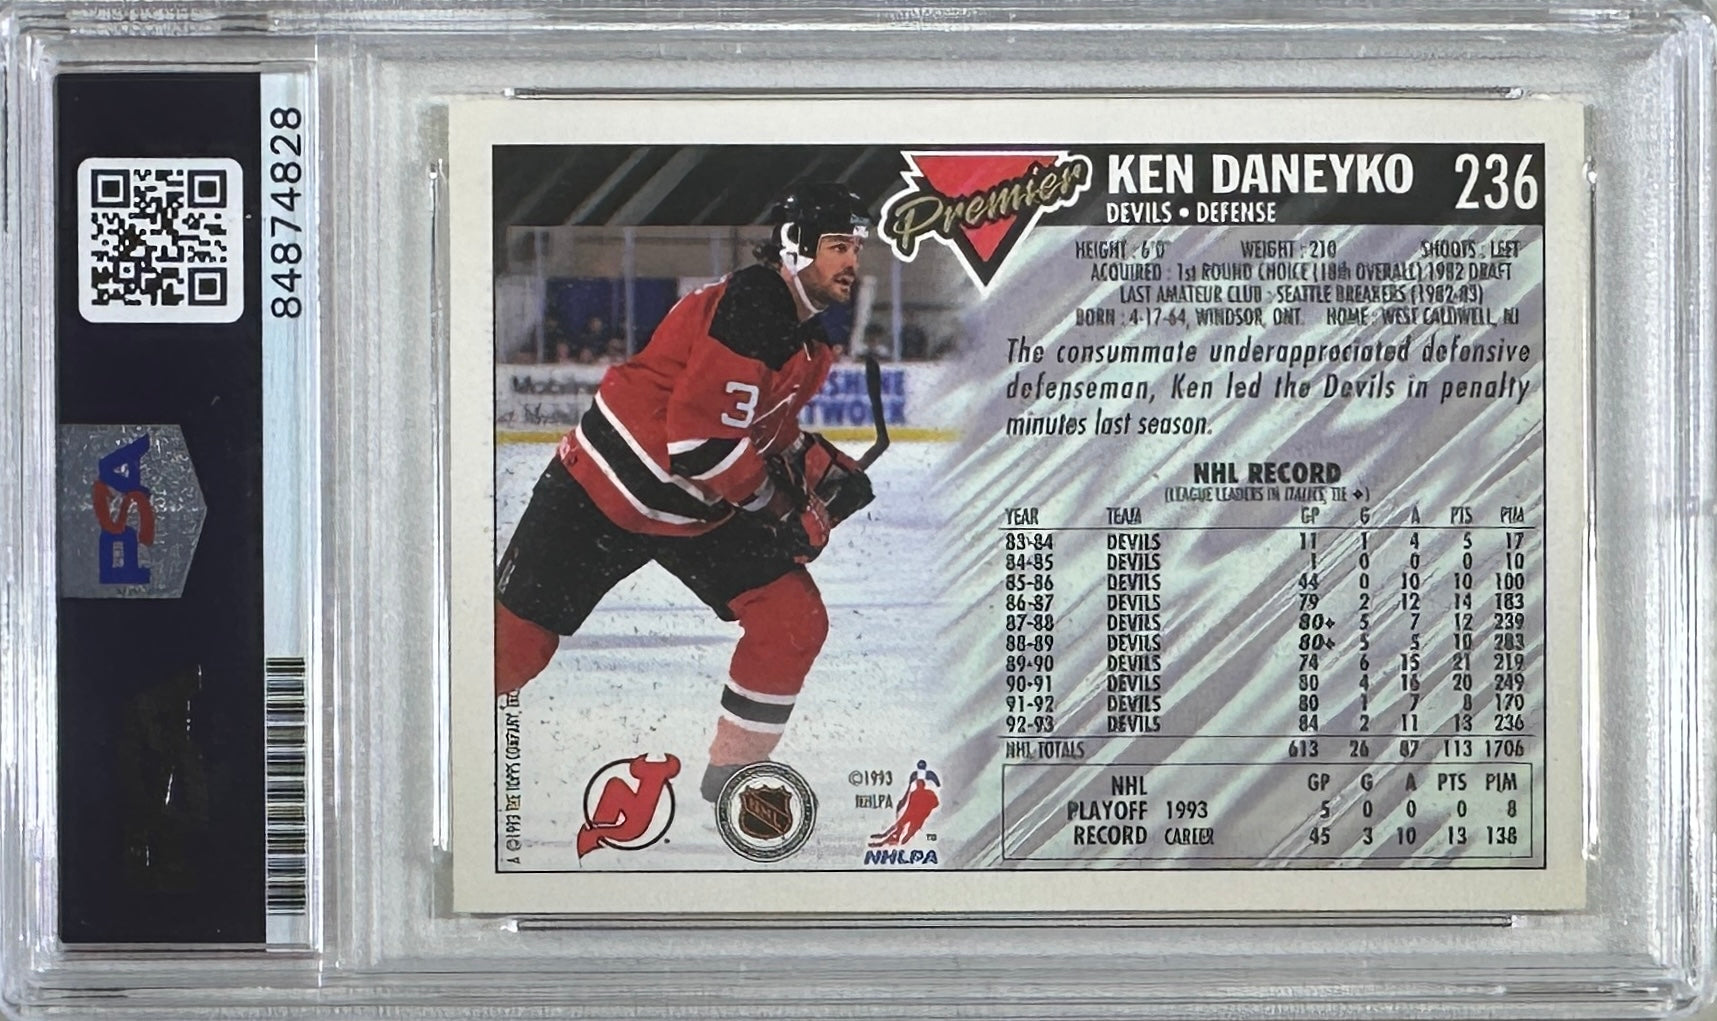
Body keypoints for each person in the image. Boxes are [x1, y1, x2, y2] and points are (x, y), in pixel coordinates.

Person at [494, 183, 878, 802]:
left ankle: (733, 777)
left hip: (695, 509)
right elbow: (700, 445)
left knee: (791, 620)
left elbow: (762, 429)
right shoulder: (754, 304)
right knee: (513, 654)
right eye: (838, 246)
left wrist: (814, 466)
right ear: (794, 244)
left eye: (856, 247)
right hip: (603, 493)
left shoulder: (810, 341)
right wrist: (781, 510)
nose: (852, 261)